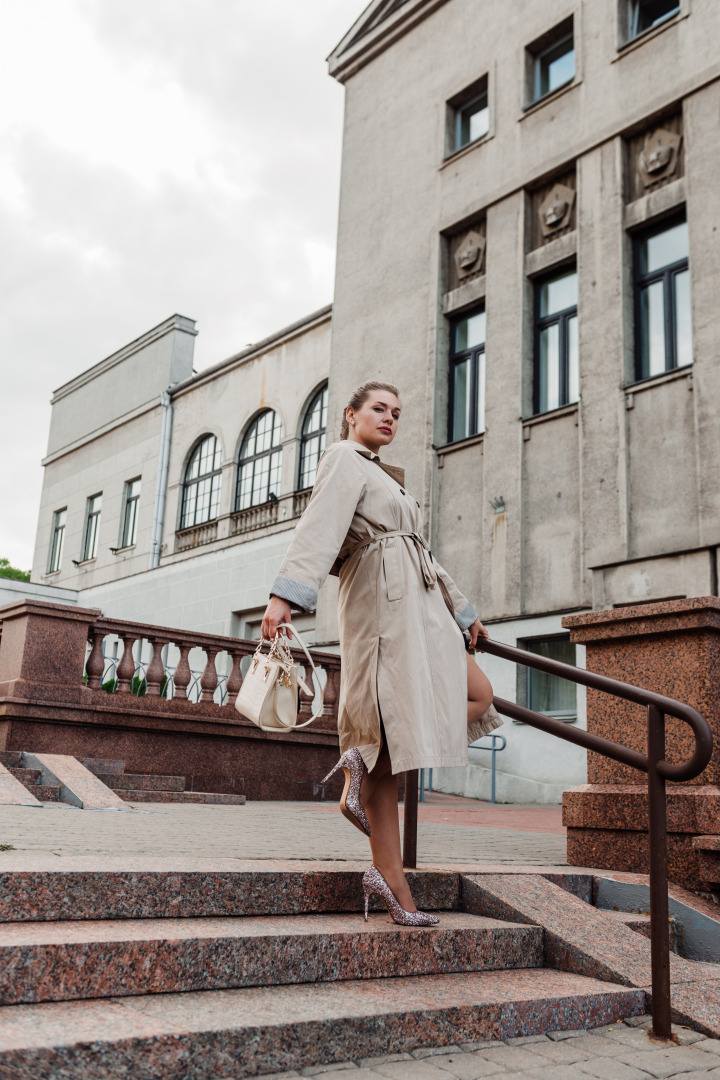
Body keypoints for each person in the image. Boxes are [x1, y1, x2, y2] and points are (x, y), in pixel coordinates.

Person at [261, 381, 501, 925]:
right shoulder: (344, 458)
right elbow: (318, 528)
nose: (390, 418)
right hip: (381, 598)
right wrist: (284, 597)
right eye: (378, 409)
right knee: (389, 736)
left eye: (397, 412)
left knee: (478, 695)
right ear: (350, 415)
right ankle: (392, 880)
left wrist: (463, 612)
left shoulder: (385, 476)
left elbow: (424, 553)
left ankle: (359, 766)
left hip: (421, 606)